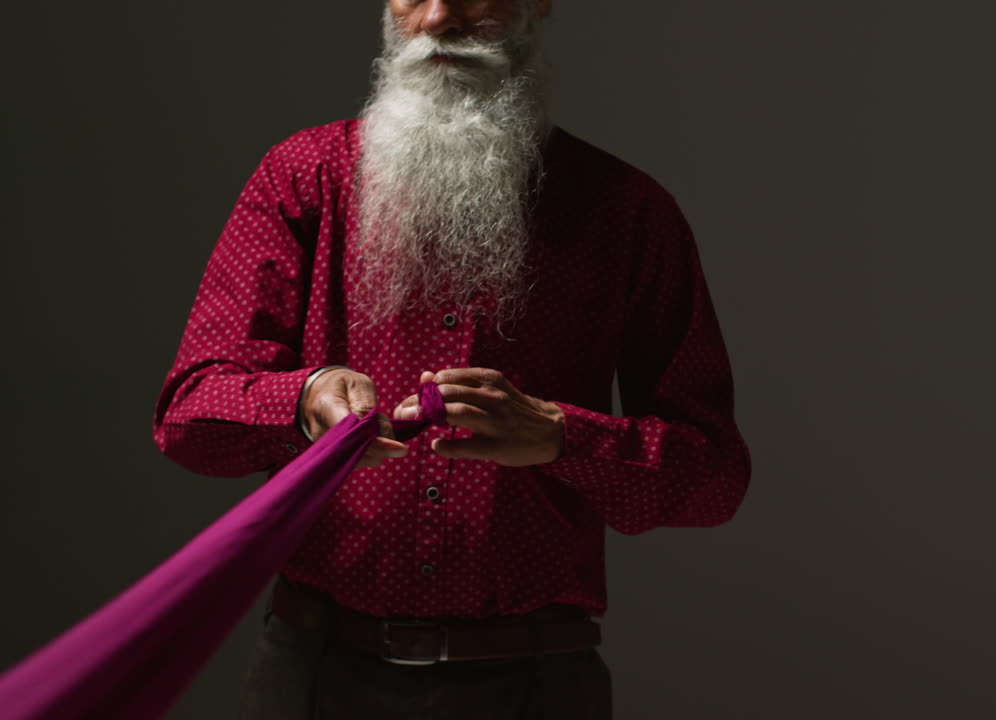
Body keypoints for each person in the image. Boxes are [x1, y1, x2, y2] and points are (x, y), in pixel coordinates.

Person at [152, 0, 751, 717]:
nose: (439, 18)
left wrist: (563, 437)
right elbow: (188, 420)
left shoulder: (627, 210)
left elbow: (713, 479)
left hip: (532, 684)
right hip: (313, 674)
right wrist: (304, 400)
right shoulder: (303, 176)